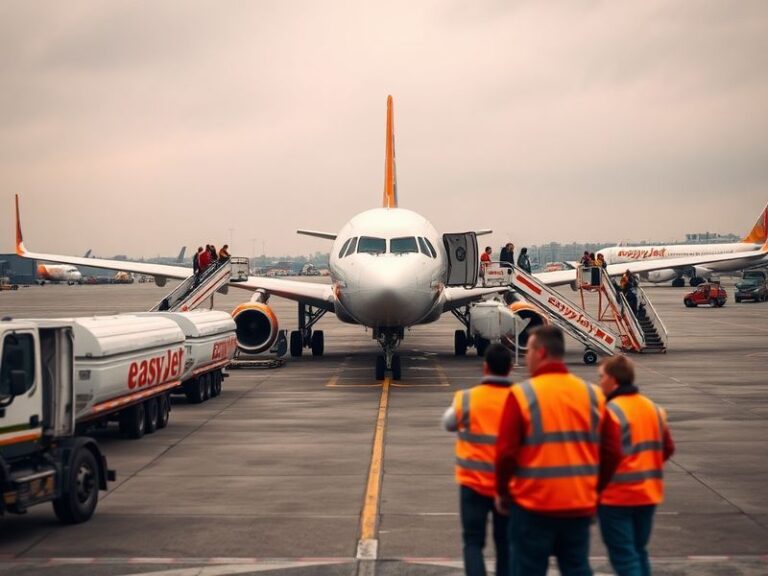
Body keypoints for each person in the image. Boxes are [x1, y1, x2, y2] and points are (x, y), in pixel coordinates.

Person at [495, 325, 621, 576]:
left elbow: (506, 454)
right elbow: (613, 451)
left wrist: (503, 493)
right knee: (576, 567)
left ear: (541, 353)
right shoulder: (592, 394)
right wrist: (594, 490)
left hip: (533, 506)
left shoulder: (522, 395)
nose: (525, 356)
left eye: (528, 350)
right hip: (577, 504)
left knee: (527, 569)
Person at [597, 355, 675, 576]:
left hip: (617, 497)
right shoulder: (653, 408)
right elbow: (668, 448)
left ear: (613, 379)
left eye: (601, 377)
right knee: (639, 552)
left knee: (624, 557)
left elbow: (604, 455)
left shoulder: (610, 411)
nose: (599, 382)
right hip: (647, 494)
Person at [443, 344, 513, 576]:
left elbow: (448, 423)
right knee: (505, 544)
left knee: (473, 543)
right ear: (511, 368)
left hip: (473, 485)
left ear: (485, 367)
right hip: (508, 487)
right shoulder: (521, 399)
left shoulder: (467, 398)